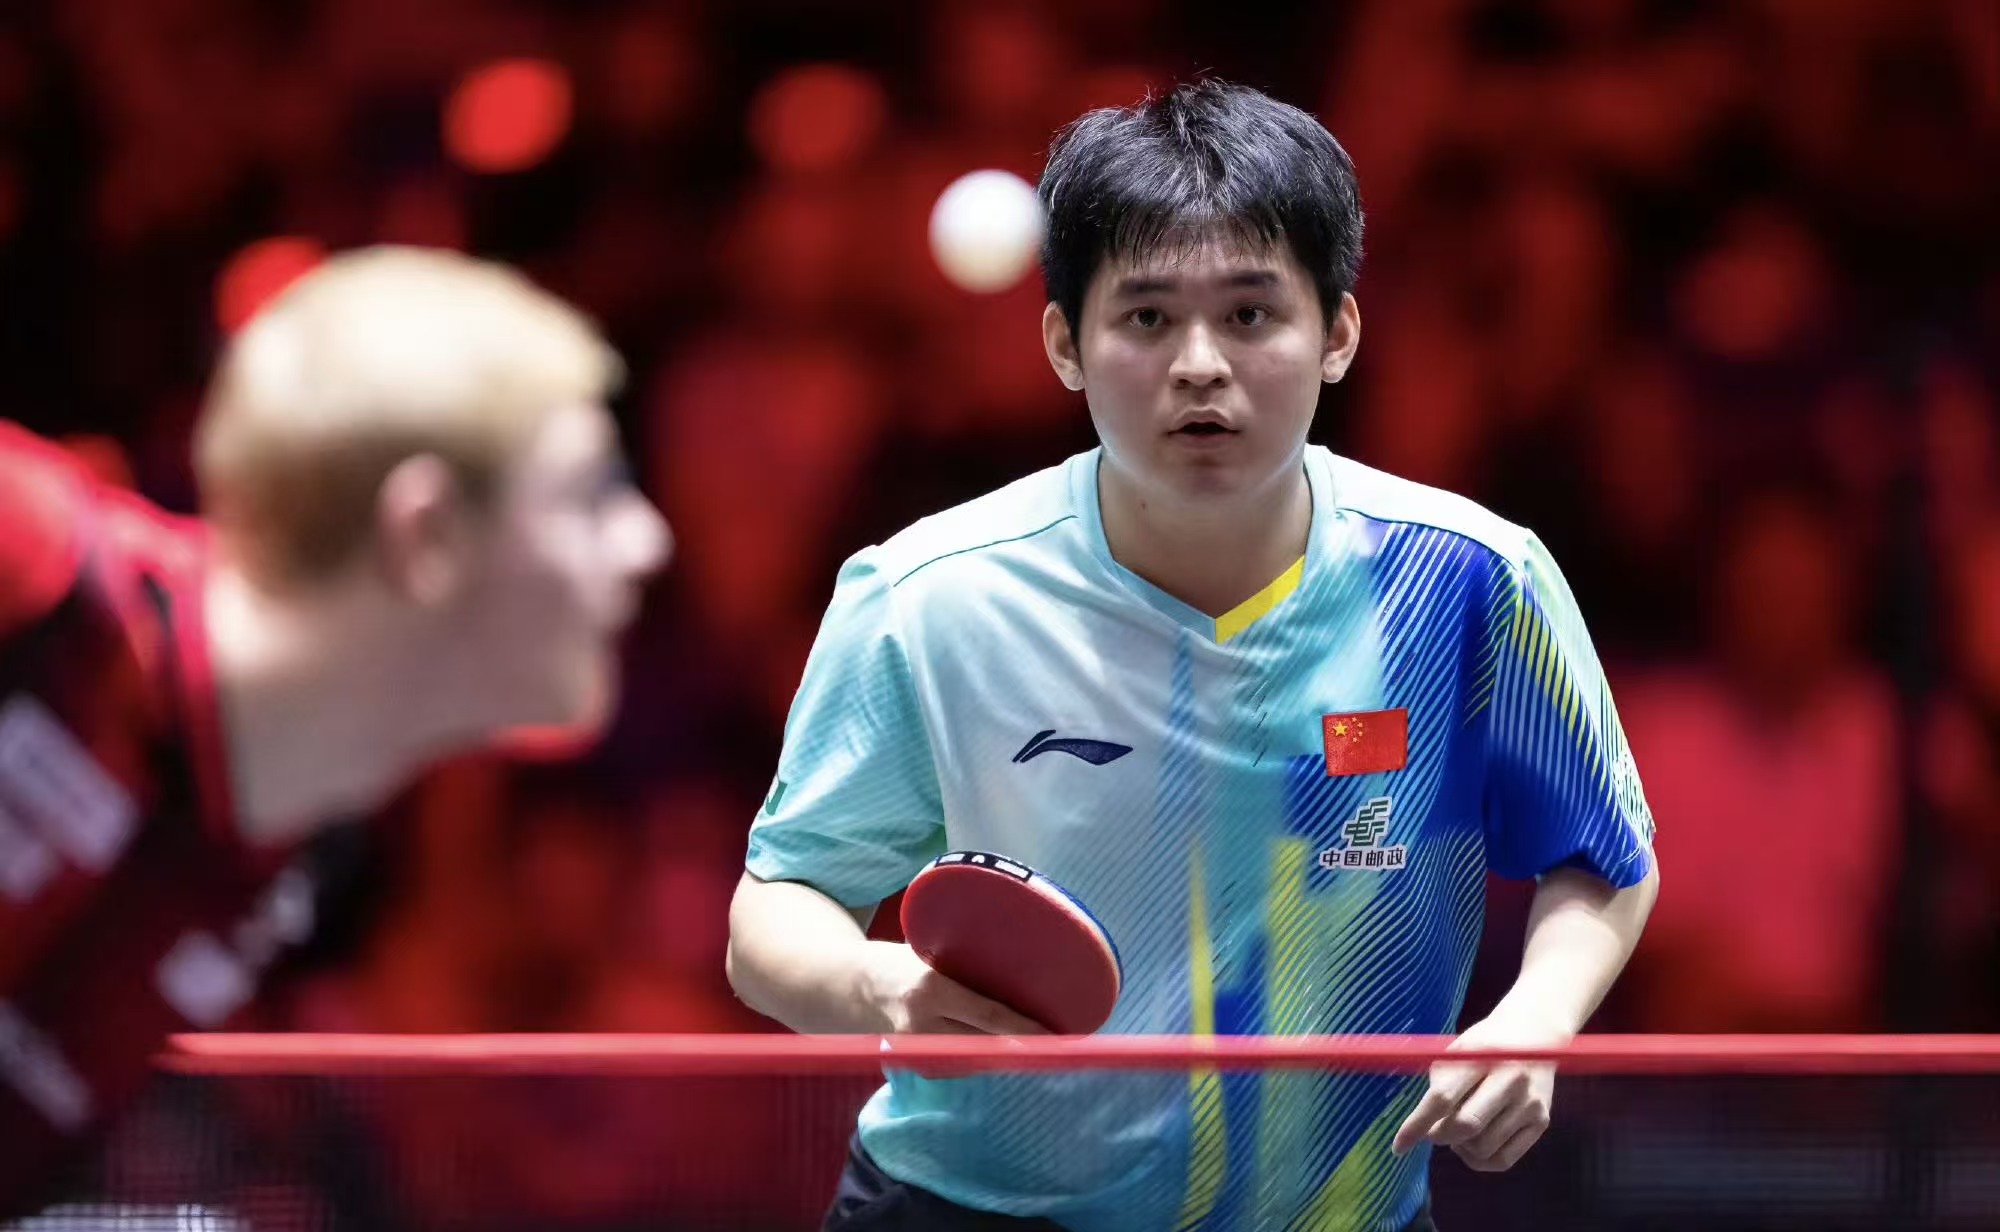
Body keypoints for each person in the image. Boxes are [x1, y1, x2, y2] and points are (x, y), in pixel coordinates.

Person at [727, 80, 1659, 1232]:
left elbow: (1602, 849)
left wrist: (1536, 1016)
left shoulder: (1468, 580)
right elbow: (775, 907)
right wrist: (877, 983)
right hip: (968, 1209)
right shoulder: (927, 595)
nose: (1199, 364)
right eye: (1146, 318)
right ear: (1064, 344)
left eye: (1251, 314)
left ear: (1338, 334)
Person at [0, 246, 671, 1216]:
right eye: (589, 495)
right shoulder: (31, 553)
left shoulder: (277, 867)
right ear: (424, 535)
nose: (648, 542)